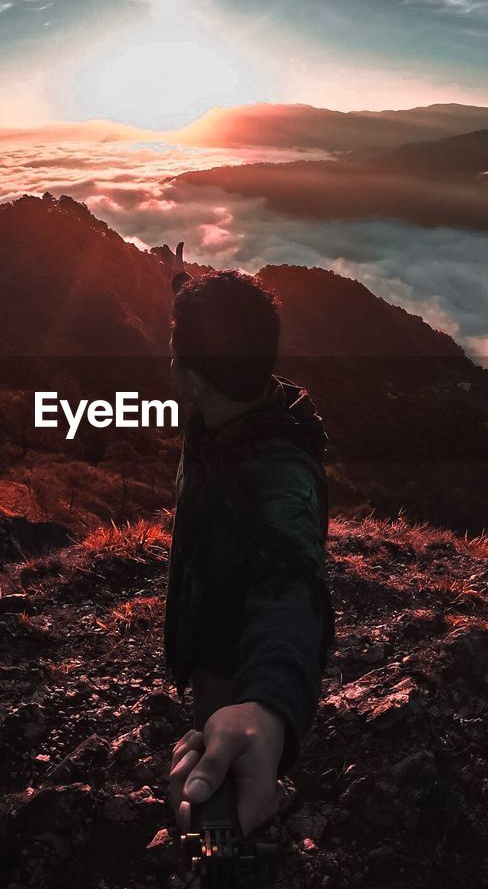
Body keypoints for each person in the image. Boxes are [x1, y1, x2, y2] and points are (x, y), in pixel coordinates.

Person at [158, 245, 336, 839]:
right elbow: (215, 334)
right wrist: (178, 283)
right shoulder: (242, 398)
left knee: (222, 774)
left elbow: (294, 589)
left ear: (196, 380)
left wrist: (268, 704)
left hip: (233, 657)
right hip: (212, 611)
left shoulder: (280, 478)